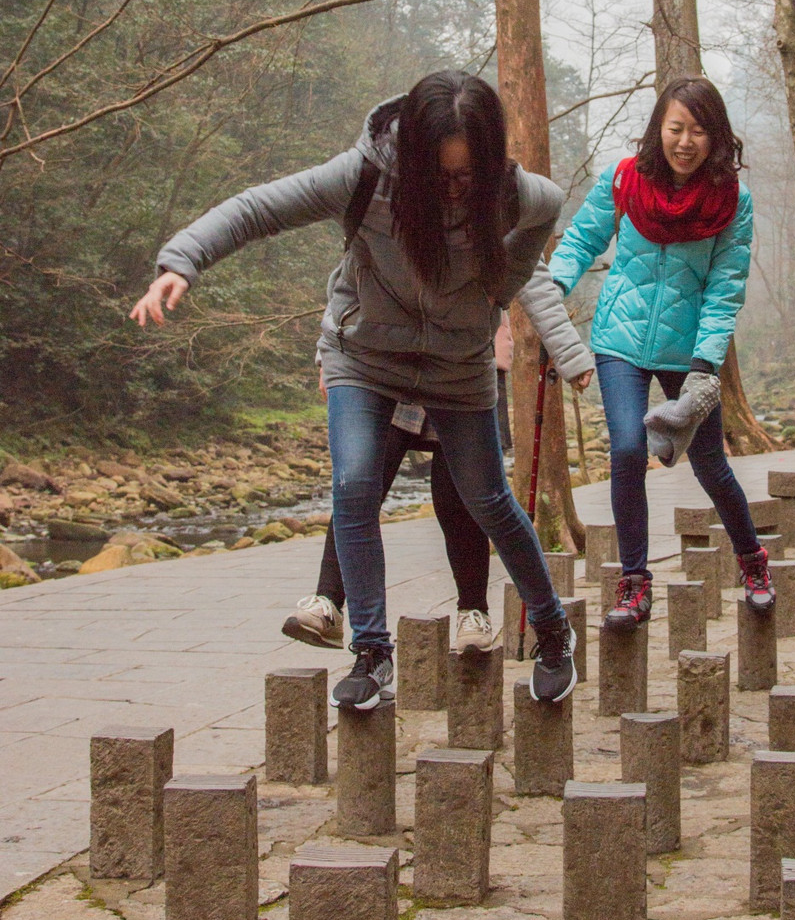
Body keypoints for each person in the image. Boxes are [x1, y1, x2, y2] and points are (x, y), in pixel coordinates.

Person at [131, 71, 580, 709]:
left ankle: (553, 630)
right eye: (441, 175)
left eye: (467, 175)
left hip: (459, 365)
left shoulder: (516, 195)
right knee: (355, 484)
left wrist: (495, 296)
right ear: (415, 161)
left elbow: (546, 215)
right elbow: (260, 207)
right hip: (363, 355)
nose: (455, 190)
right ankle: (371, 652)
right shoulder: (366, 177)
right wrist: (183, 260)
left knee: (488, 498)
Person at [550, 75, 775, 628]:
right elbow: (581, 239)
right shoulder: (626, 179)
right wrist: (550, 294)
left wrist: (706, 364)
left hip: (689, 351)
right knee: (627, 451)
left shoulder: (731, 201)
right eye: (676, 127)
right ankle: (634, 584)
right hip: (619, 342)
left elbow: (725, 289)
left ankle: (753, 563)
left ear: (715, 137)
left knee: (710, 462)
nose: (685, 141)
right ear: (659, 128)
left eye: (698, 130)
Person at [285, 273, 593, 656]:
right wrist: (329, 357)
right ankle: (328, 601)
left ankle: (473, 611)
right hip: (388, 358)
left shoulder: (495, 212)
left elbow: (532, 275)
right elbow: (353, 273)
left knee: (461, 497)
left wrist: (570, 353)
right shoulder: (384, 212)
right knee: (360, 483)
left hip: (467, 362)